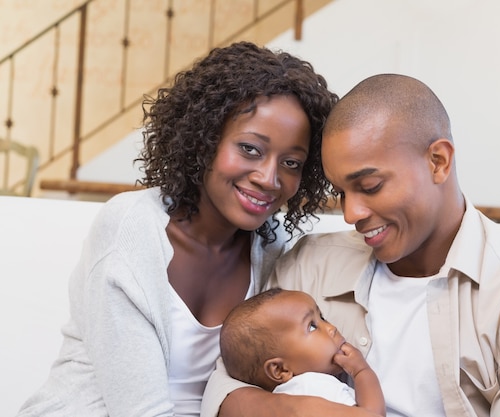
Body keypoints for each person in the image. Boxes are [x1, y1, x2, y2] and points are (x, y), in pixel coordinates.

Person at [202, 74, 500, 417]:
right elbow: (229, 381)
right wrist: (284, 409)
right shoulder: (309, 266)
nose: (352, 213)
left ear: (438, 162)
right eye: (341, 192)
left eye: (370, 186)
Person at [16, 41, 337, 417]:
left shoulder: (271, 250)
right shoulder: (132, 228)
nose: (269, 178)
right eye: (250, 148)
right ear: (205, 139)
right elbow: (140, 410)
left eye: (292, 163)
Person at [220, 288, 385, 416]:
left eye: (322, 317)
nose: (331, 328)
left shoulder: (285, 397)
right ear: (280, 370)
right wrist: (361, 371)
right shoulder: (314, 387)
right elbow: (372, 414)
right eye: (312, 326)